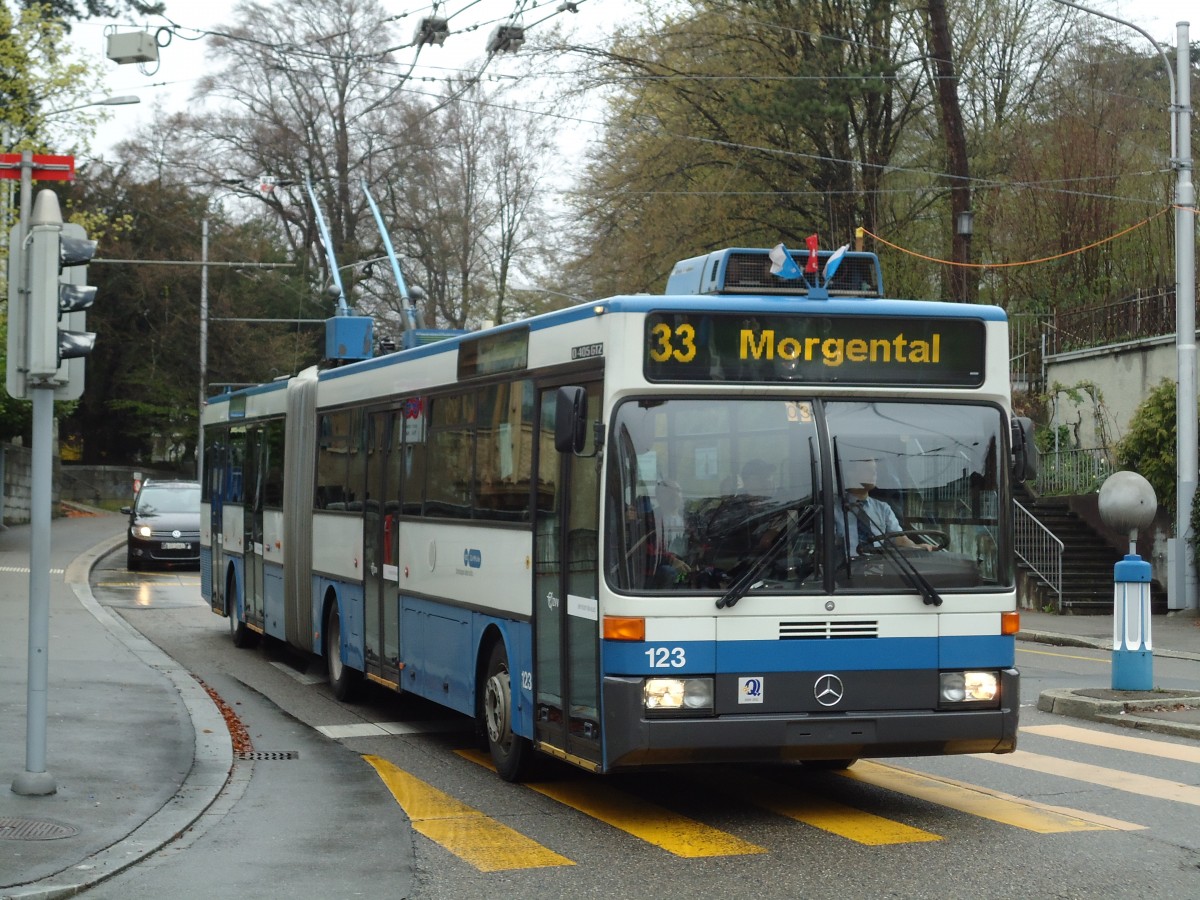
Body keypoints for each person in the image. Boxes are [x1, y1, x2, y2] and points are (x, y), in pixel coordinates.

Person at [841, 458, 933, 555]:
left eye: (875, 470)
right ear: (850, 473)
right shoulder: (834, 509)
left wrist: (916, 547)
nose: (874, 473)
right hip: (845, 568)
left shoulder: (883, 508)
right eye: (868, 470)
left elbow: (899, 538)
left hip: (877, 566)